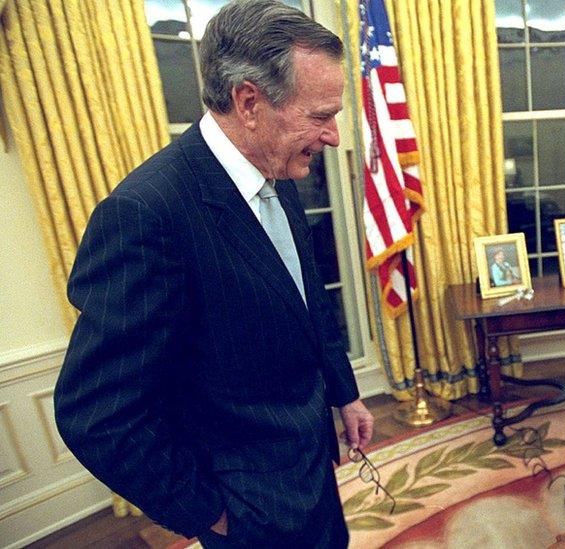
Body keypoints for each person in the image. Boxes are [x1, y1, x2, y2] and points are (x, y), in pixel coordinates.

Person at [53, 1, 372, 546]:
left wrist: (345, 392)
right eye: (320, 116)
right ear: (248, 101)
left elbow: (307, 300)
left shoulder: (278, 172)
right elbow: (96, 412)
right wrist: (207, 511)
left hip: (311, 468)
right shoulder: (146, 215)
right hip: (246, 506)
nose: (335, 136)